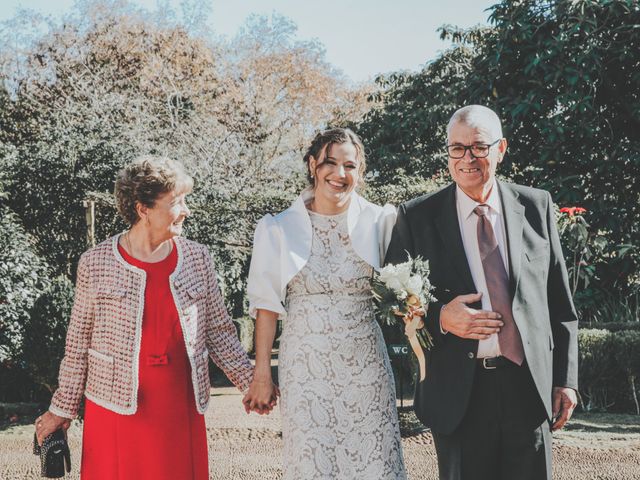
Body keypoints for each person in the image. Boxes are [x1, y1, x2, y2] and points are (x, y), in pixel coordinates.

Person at [34, 156, 264, 480]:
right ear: (143, 209)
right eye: (177, 202)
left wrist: (255, 383)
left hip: (178, 405)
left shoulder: (197, 258)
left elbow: (220, 331)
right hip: (114, 408)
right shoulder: (95, 262)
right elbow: (78, 344)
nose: (186, 211)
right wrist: (62, 409)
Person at [385, 105, 579, 480]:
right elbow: (394, 303)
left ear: (501, 149)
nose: (467, 158)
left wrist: (565, 379)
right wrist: (441, 316)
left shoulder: (537, 206)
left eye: (478, 147)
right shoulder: (417, 216)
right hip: (459, 393)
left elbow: (560, 304)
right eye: (456, 148)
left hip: (528, 388)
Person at [242, 128, 407, 479]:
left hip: (366, 367)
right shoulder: (278, 228)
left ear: (360, 171)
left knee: (375, 461)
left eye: (350, 165)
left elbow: (402, 293)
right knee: (312, 463)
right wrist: (261, 375)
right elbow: (267, 307)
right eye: (330, 163)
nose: (340, 174)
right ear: (313, 165)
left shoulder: (382, 221)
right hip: (305, 369)